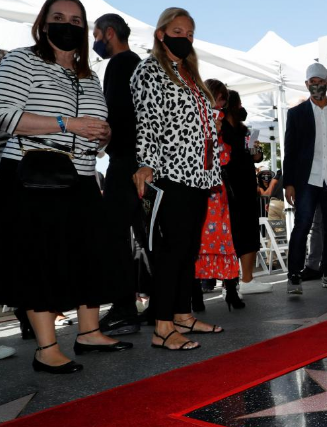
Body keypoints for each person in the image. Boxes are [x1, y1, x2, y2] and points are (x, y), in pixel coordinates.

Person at [0, 0, 132, 374]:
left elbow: (97, 127)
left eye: (76, 20)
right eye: (59, 18)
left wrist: (103, 135)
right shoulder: (21, 61)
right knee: (38, 261)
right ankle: (46, 348)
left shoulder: (89, 75)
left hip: (83, 176)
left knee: (91, 256)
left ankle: (89, 331)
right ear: (43, 24)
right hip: (33, 175)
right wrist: (66, 123)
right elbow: (3, 115)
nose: (67, 25)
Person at [131, 7, 224, 351]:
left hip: (198, 174)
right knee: (171, 251)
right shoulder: (150, 70)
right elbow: (147, 121)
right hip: (170, 172)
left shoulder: (188, 72)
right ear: (161, 34)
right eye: (178, 31)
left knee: (188, 248)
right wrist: (146, 164)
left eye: (189, 33)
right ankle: (162, 325)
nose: (184, 37)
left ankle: (183, 314)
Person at [93, 13, 143, 336]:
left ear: (110, 33)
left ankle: (124, 306)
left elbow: (113, 115)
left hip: (125, 161)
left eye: (96, 35)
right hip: (138, 161)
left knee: (115, 234)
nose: (95, 42)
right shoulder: (137, 62)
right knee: (146, 235)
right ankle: (165, 302)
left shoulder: (119, 64)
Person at [283, 63, 327, 294]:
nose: (316, 85)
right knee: (302, 227)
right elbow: (290, 150)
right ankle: (294, 276)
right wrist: (289, 183)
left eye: (320, 81)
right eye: (312, 82)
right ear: (306, 84)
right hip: (307, 180)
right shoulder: (296, 114)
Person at [195, 79, 244, 311]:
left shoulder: (225, 122)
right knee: (198, 243)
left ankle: (231, 290)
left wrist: (220, 135)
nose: (221, 102)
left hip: (219, 191)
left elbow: (227, 157)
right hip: (199, 190)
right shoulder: (195, 116)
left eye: (224, 98)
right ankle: (195, 294)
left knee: (225, 242)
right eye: (219, 97)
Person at [221, 90, 272, 295]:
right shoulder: (220, 127)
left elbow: (255, 158)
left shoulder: (243, 130)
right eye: (239, 103)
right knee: (231, 232)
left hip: (247, 185)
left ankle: (248, 279)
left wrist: (256, 153)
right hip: (229, 186)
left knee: (249, 231)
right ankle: (230, 283)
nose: (242, 107)